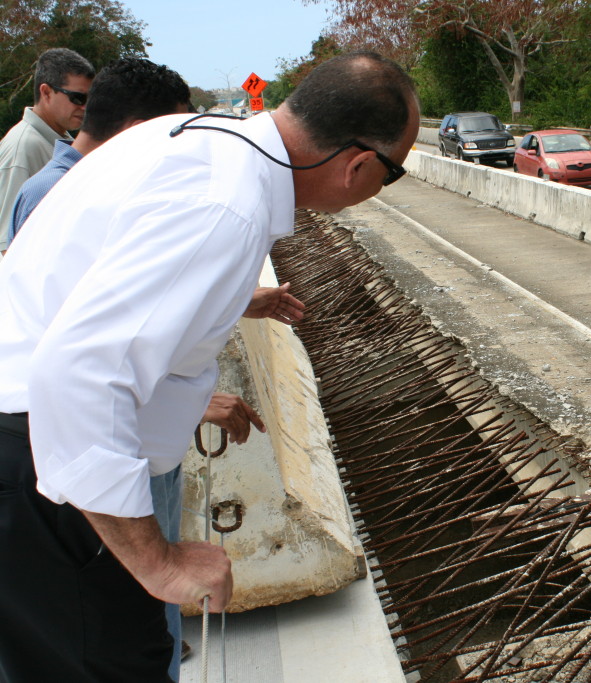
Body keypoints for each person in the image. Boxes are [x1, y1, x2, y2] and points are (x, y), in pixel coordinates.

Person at [0, 50, 418, 681]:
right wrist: (157, 562)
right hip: (44, 470)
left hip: (35, 456)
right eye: (392, 173)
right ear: (359, 164)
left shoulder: (204, 140)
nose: (380, 186)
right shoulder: (225, 206)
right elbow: (78, 373)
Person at [3, 56, 283, 681]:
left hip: (76, 447)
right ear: (141, 128)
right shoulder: (59, 187)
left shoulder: (97, 178)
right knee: (103, 641)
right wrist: (158, 564)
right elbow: (72, 354)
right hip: (58, 455)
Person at [0, 48, 94, 255]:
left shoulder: (63, 140)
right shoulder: (23, 147)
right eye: (78, 98)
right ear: (46, 92)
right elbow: (8, 245)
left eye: (90, 99)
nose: (85, 107)